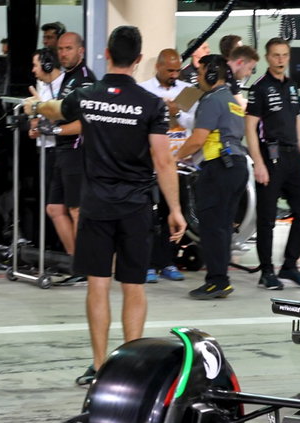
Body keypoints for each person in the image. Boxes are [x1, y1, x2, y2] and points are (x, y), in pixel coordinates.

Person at [27, 25, 184, 386]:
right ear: (140, 59)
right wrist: (175, 208)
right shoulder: (152, 104)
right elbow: (163, 160)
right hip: (136, 206)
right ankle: (130, 367)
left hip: (95, 203)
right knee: (133, 286)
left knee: (97, 284)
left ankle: (100, 365)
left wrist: (35, 104)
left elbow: (54, 109)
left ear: (107, 55)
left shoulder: (88, 94)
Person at [175, 54, 249, 299]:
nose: (196, 77)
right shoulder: (232, 100)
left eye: (200, 72)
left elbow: (198, 139)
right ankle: (220, 278)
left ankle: (217, 281)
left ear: (209, 73)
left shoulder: (211, 100)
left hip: (218, 168)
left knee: (211, 227)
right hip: (236, 167)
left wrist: (174, 159)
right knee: (223, 227)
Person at [246, 37, 300, 290]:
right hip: (269, 155)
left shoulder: (292, 86)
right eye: (276, 55)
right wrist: (258, 163)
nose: (280, 60)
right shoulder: (259, 87)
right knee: (266, 218)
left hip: (293, 157)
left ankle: (290, 265)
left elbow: (297, 121)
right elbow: (250, 127)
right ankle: (267, 271)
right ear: (267, 57)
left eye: (284, 55)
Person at [138, 48, 189, 283]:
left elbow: (194, 122)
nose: (174, 74)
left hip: (178, 163)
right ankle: (147, 263)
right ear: (158, 67)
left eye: (177, 70)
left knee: (174, 214)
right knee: (149, 217)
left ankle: (168, 261)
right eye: (170, 70)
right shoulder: (144, 91)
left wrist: (177, 113)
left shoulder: (187, 91)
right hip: (150, 164)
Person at [30, 46, 77, 258]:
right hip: (46, 150)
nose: (33, 70)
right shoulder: (40, 85)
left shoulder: (66, 85)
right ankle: (71, 257)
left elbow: (60, 116)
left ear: (48, 65)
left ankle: (83, 259)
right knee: (53, 207)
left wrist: (41, 109)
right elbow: (37, 118)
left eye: (35, 65)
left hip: (66, 149)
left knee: (74, 208)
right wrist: (34, 124)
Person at [53, 31, 97, 242]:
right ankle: (75, 261)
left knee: (77, 209)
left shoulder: (85, 79)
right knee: (54, 208)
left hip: (77, 151)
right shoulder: (68, 77)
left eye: (68, 48)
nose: (63, 53)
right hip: (62, 150)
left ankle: (86, 266)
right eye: (60, 49)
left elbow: (85, 122)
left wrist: (54, 131)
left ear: (81, 50)